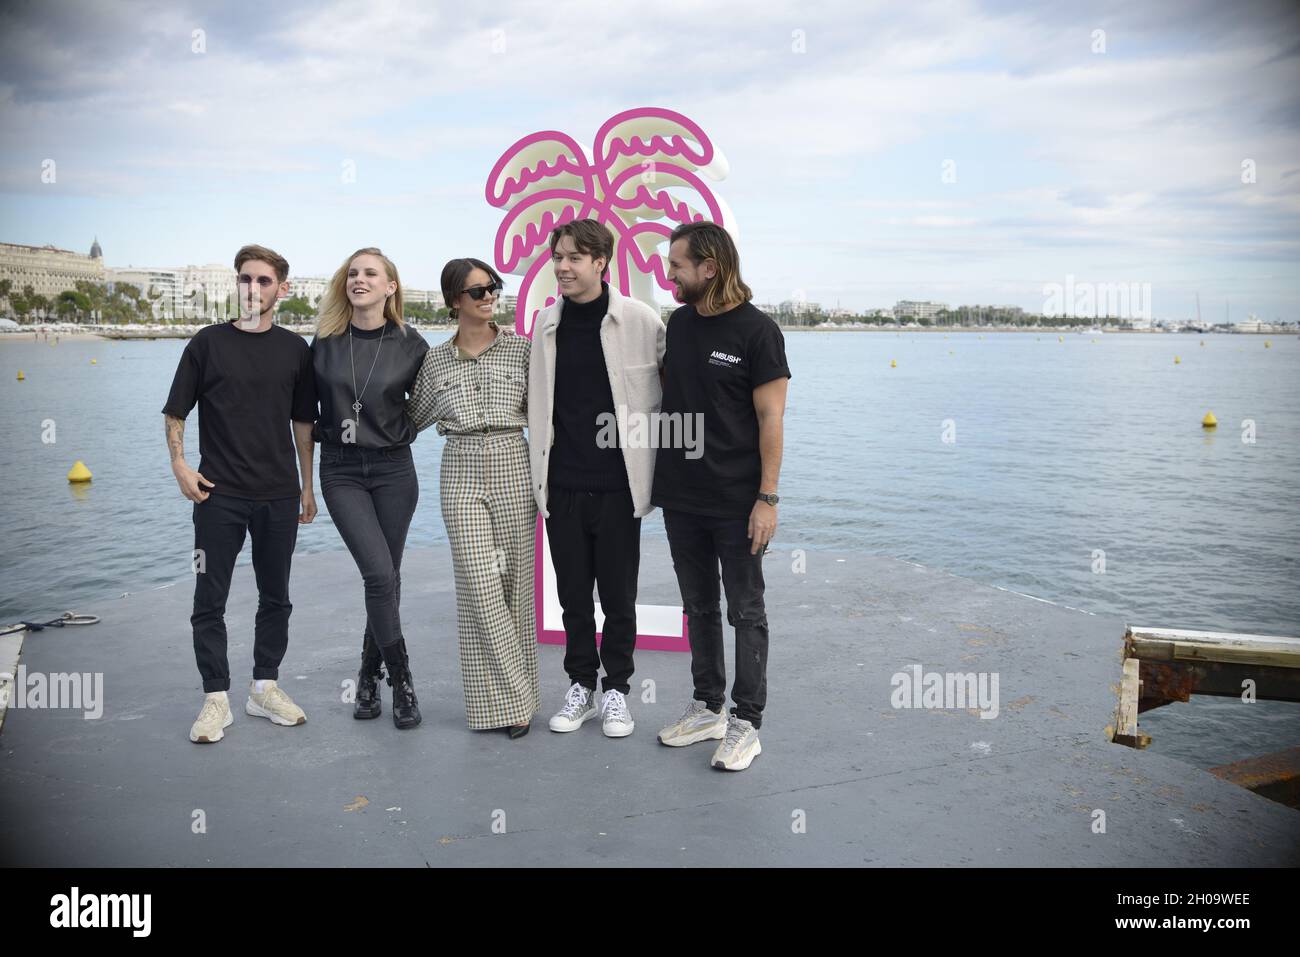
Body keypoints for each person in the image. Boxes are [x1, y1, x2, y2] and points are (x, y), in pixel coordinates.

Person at [163, 244, 318, 744]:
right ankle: (215, 699)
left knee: (277, 598)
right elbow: (176, 411)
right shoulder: (207, 343)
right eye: (245, 279)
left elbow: (302, 423)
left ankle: (264, 688)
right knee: (210, 597)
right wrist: (180, 465)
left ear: (282, 289)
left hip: (277, 496)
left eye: (264, 281)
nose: (253, 289)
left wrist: (307, 486)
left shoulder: (296, 349)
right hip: (218, 496)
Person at [652, 222, 790, 771]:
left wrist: (768, 498)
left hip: (738, 501)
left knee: (745, 610)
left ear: (709, 268)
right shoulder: (680, 324)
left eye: (677, 265)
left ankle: (746, 722)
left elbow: (770, 418)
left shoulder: (758, 332)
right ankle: (707, 706)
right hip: (681, 496)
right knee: (698, 606)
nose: (669, 273)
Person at [527, 220, 665, 738]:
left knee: (618, 596)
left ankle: (617, 692)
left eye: (573, 258)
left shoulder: (640, 321)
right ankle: (581, 685)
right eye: (557, 257)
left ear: (601, 261)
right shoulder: (544, 326)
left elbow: (675, 393)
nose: (562, 267)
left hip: (618, 486)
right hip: (561, 485)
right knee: (573, 597)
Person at [407, 258, 538, 738]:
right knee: (479, 587)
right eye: (478, 290)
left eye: (493, 287)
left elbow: (548, 413)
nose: (489, 296)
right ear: (454, 301)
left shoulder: (523, 350)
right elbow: (409, 418)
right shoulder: (435, 360)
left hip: (512, 460)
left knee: (515, 589)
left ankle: (505, 705)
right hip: (460, 464)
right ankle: (515, 700)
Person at [312, 247, 429, 729]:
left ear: (390, 287)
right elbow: (301, 416)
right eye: (353, 273)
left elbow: (434, 395)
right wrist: (303, 485)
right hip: (340, 470)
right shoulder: (323, 342)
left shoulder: (410, 343)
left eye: (370, 274)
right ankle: (402, 681)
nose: (359, 279)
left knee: (388, 577)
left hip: (394, 471)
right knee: (379, 575)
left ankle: (367, 674)